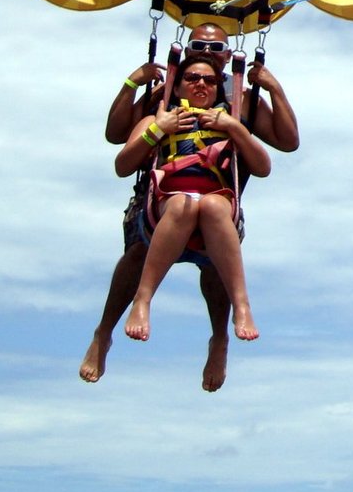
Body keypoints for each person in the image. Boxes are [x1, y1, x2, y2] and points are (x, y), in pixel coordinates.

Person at [79, 23, 299, 389]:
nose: (206, 57)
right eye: (198, 46)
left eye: (216, 51)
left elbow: (285, 145)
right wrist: (135, 85)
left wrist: (270, 90)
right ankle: (107, 331)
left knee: (214, 243)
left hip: (217, 203)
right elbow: (117, 140)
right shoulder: (163, 99)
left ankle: (222, 336)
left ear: (228, 56)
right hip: (162, 205)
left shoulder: (240, 103)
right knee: (141, 249)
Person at [118, 54, 270, 344]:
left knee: (211, 205)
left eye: (210, 81)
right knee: (183, 204)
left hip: (217, 201)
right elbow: (122, 166)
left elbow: (263, 168)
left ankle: (241, 307)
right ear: (176, 87)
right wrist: (158, 130)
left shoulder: (229, 121)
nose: (201, 84)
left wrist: (234, 128)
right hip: (167, 202)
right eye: (192, 78)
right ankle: (142, 300)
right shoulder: (157, 119)